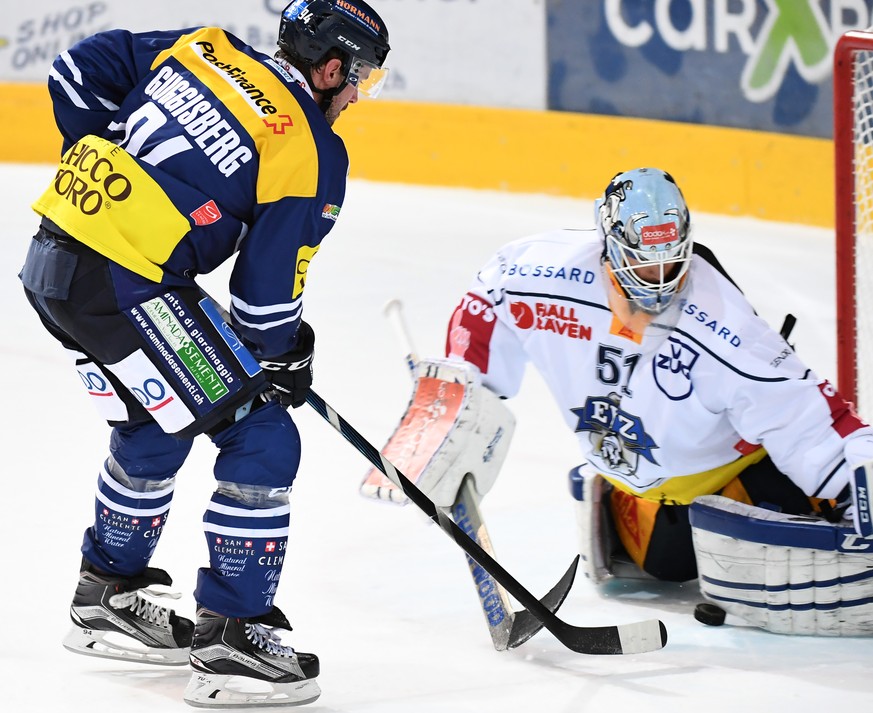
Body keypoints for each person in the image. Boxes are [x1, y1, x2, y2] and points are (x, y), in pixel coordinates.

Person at [18, 0, 390, 706]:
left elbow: (76, 68)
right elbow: (263, 304)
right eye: (359, 80)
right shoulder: (309, 148)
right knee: (259, 430)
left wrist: (109, 175)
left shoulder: (206, 48)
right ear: (331, 65)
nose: (355, 96)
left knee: (155, 418)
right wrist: (283, 354)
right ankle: (235, 637)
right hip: (127, 287)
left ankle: (109, 591)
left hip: (53, 262)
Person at [369, 167, 873, 637]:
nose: (658, 282)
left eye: (672, 263)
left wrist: (861, 485)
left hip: (728, 495)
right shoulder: (544, 272)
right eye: (642, 264)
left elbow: (810, 419)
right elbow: (490, 291)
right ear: (607, 246)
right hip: (651, 537)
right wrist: (460, 393)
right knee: (674, 567)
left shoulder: (729, 328)